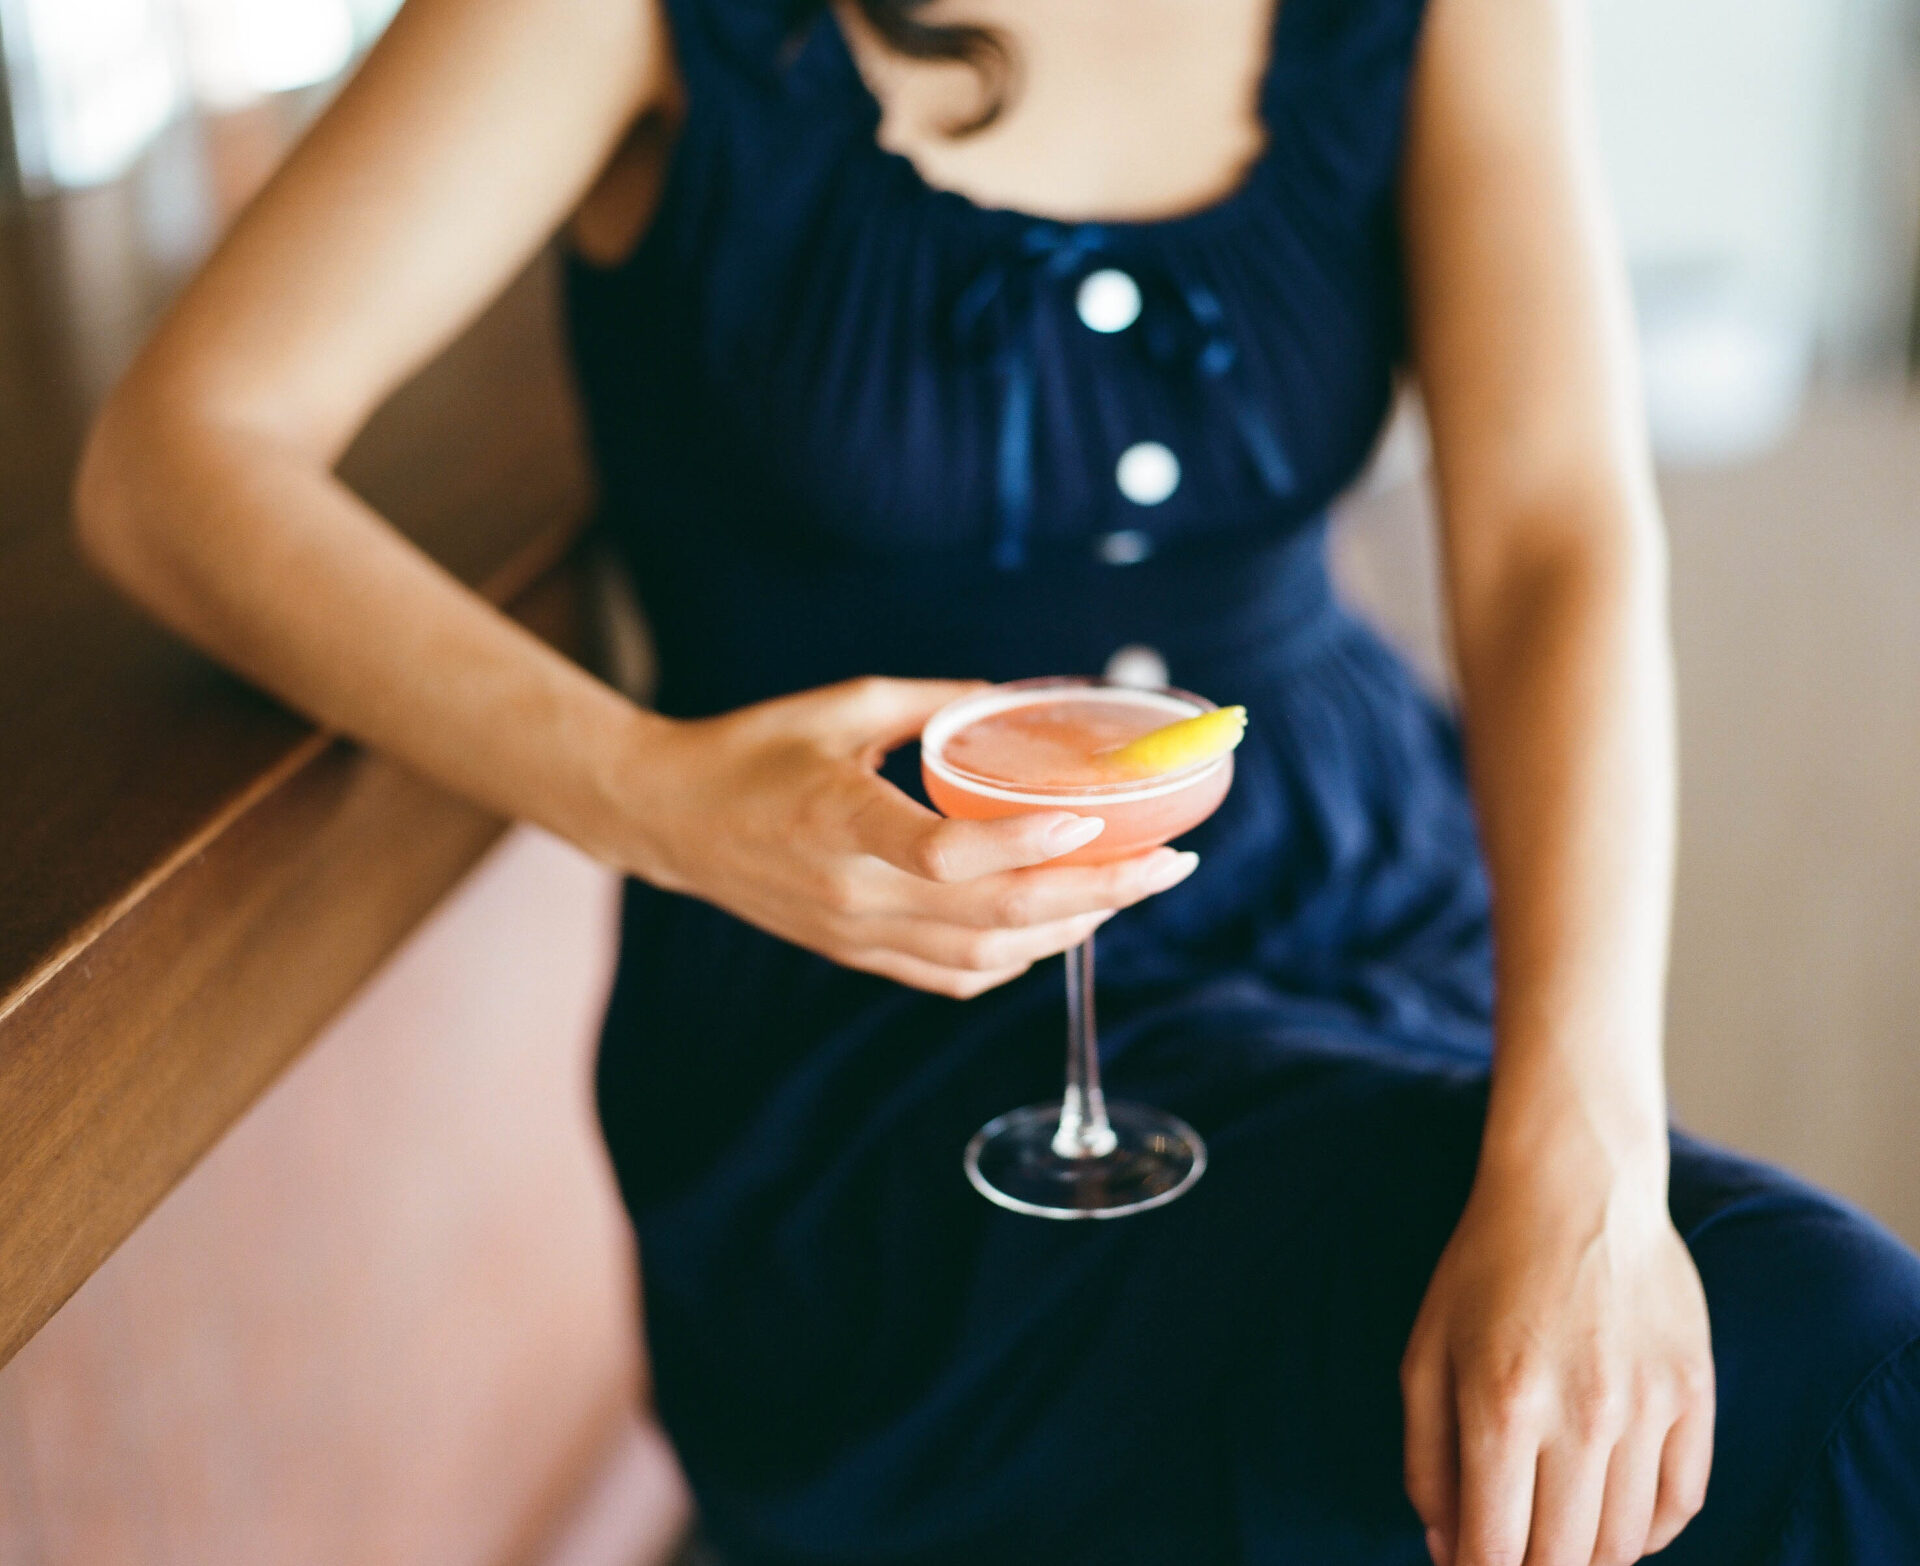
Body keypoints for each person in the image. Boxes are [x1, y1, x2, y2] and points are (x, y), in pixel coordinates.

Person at [74, 0, 1920, 1559]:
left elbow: (1550, 544)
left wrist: (1585, 1138)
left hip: (1357, 878)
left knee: (1703, 1379)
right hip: (878, 1022)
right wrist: (654, 791)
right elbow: (180, 459)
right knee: (1818, 1350)